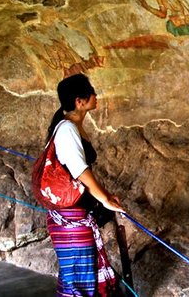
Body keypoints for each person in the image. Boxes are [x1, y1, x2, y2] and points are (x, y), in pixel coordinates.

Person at [45, 73, 124, 297]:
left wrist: (106, 195)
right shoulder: (67, 129)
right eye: (91, 92)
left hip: (75, 210)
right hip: (70, 215)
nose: (96, 96)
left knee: (83, 269)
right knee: (80, 273)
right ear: (80, 101)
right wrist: (105, 199)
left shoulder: (72, 126)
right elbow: (80, 171)